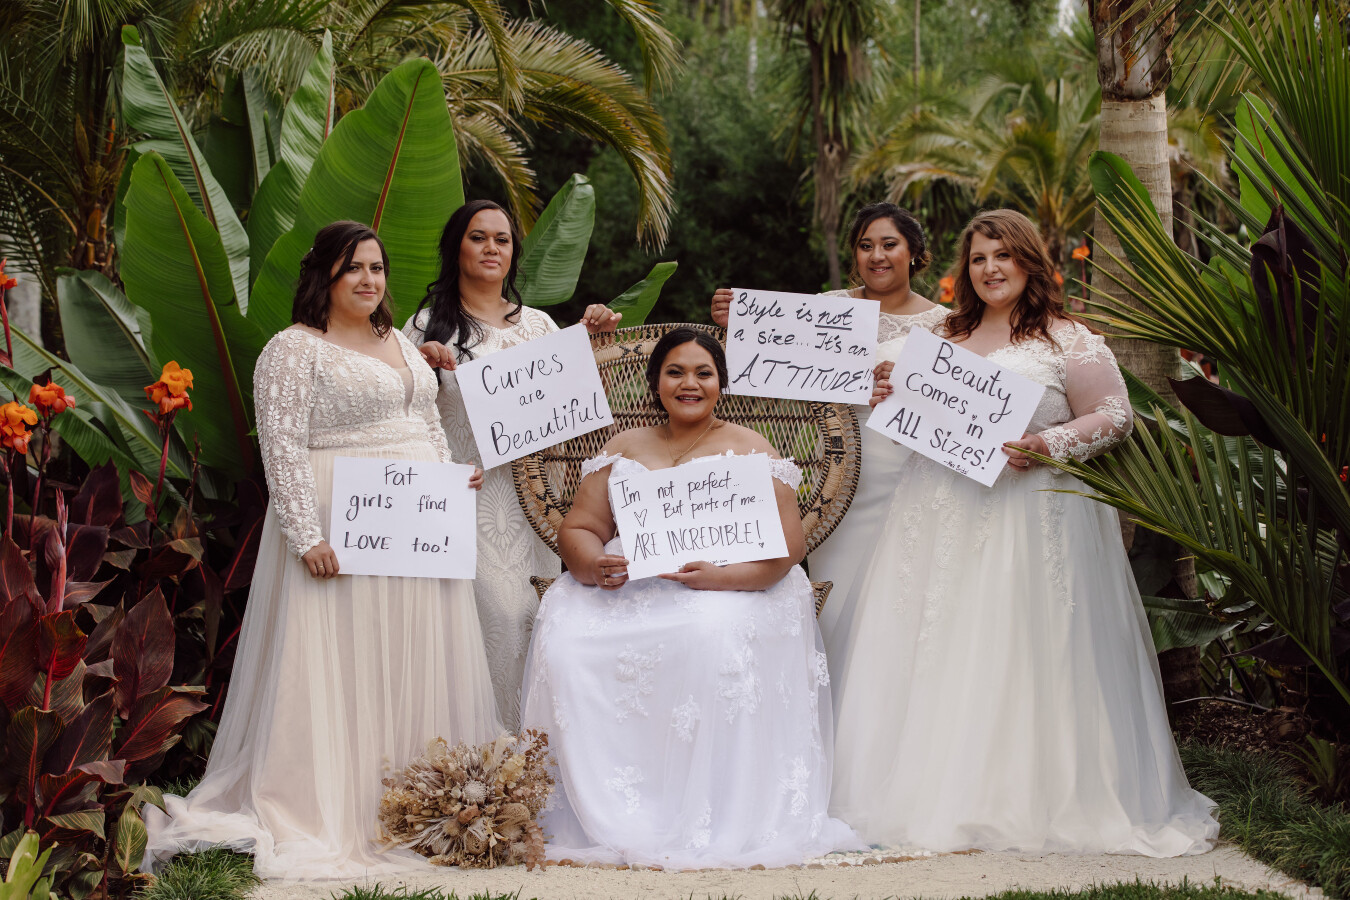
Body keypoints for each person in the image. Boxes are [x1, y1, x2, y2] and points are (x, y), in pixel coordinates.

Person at [828, 209, 1218, 856]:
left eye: (1003, 256)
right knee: (941, 647)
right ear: (965, 270)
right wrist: (886, 394)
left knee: (1027, 646)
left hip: (1036, 511)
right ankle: (932, 793)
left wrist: (1050, 442)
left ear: (1030, 262)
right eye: (979, 258)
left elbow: (1115, 416)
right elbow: (905, 411)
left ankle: (1040, 795)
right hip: (941, 512)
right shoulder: (944, 338)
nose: (990, 269)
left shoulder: (1069, 338)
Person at [144, 221, 501, 879]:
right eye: (353, 269)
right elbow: (280, 444)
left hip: (418, 528)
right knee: (345, 661)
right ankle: (328, 805)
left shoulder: (396, 340)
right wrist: (306, 533)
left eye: (377, 268)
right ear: (326, 279)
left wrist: (453, 477)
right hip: (343, 519)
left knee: (410, 655)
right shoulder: (292, 349)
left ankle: (415, 803)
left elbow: (423, 419)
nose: (369, 281)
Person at [518, 328, 862, 868]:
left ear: (721, 384)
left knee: (708, 635)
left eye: (703, 373)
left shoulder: (751, 447)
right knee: (566, 642)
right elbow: (581, 526)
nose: (689, 383)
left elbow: (787, 548)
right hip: (628, 584)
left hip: (732, 584)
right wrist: (590, 564)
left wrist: (719, 579)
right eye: (675, 372)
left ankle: (702, 808)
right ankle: (601, 809)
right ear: (656, 382)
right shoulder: (623, 446)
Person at [404, 200, 621, 732]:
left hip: (535, 501)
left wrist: (595, 342)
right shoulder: (424, 327)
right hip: (466, 497)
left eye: (502, 240)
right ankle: (481, 748)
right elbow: (399, 412)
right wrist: (425, 370)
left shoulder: (541, 325)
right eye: (479, 237)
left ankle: (535, 755)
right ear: (457, 246)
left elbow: (580, 411)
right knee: (493, 618)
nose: (492, 248)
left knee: (535, 618)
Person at [710, 203, 948, 650]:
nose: (877, 255)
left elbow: (947, 406)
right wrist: (734, 327)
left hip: (906, 472)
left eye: (889, 244)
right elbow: (767, 372)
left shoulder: (943, 323)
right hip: (834, 473)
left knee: (904, 588)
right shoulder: (825, 310)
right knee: (833, 588)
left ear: (915, 253)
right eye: (865, 245)